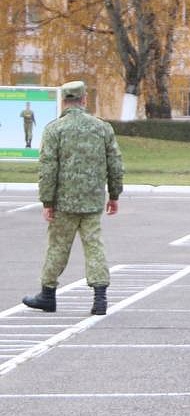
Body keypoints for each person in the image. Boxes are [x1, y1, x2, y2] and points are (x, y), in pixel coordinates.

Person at [22, 81, 124, 316]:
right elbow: (115, 163)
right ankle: (100, 297)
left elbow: (48, 169)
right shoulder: (102, 128)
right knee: (94, 245)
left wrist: (47, 201)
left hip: (64, 202)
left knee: (57, 246)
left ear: (63, 101)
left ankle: (47, 294)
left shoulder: (54, 129)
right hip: (92, 200)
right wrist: (114, 194)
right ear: (84, 99)